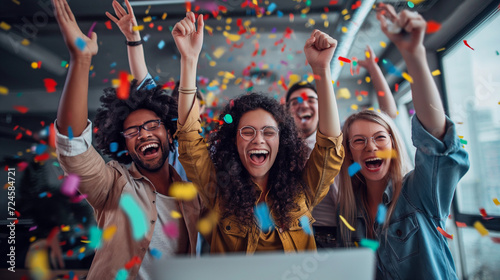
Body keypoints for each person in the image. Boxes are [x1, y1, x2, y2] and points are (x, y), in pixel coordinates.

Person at [52, 0, 204, 278]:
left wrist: (188, 59)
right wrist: (81, 59)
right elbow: (73, 147)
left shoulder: (196, 194)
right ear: (124, 144)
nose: (144, 133)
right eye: (133, 131)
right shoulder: (113, 186)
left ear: (170, 132)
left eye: (152, 125)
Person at [171, 11, 344, 253]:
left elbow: (330, 150)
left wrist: (322, 70)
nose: (258, 139)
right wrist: (188, 60)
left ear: (281, 141)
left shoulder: (302, 189)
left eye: (268, 132)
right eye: (247, 131)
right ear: (234, 142)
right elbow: (189, 140)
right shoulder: (217, 191)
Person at [336, 4, 469, 279]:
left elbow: (437, 144)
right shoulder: (350, 214)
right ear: (349, 154)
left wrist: (415, 56)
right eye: (358, 141)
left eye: (379, 138)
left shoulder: (417, 193)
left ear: (394, 146)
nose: (370, 147)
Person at [286, 46, 398, 248]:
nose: (303, 105)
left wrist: (373, 68)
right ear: (287, 110)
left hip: (349, 229)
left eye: (311, 100)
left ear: (322, 107)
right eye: (295, 102)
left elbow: (387, 117)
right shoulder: (279, 148)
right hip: (301, 237)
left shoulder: (343, 137)